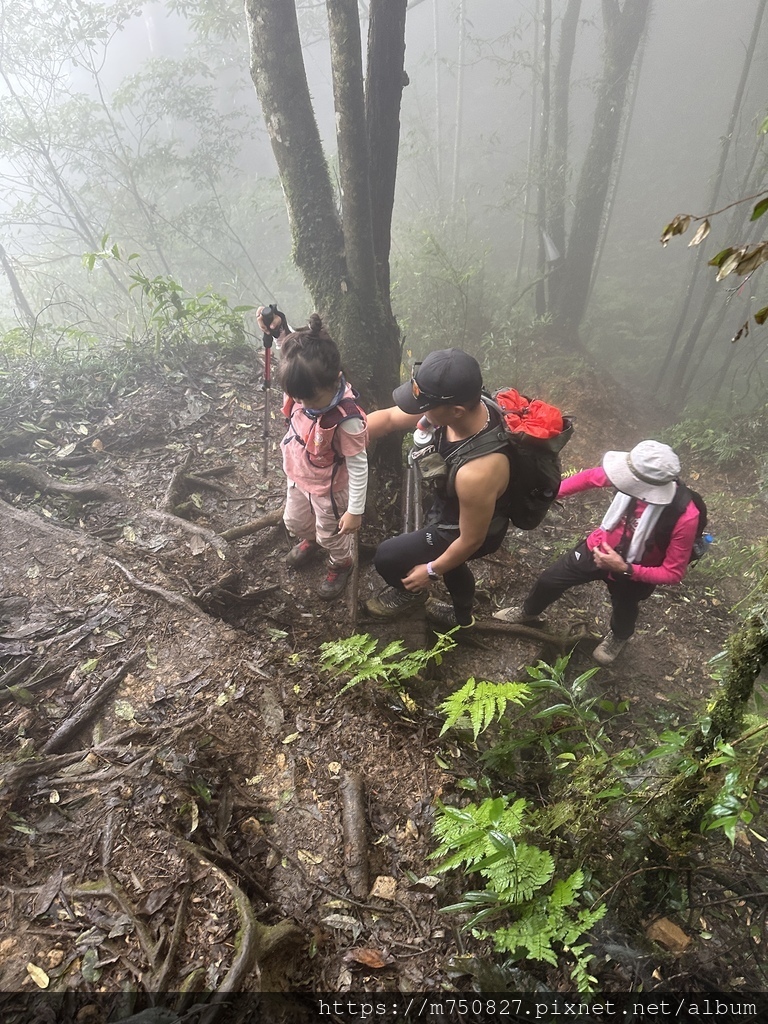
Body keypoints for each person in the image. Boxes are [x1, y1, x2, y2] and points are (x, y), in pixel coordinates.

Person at [494, 440, 701, 665]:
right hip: (597, 547)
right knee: (550, 580)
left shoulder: (685, 516)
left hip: (634, 570)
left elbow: (673, 573)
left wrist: (624, 568)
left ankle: (618, 637)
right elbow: (589, 478)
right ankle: (528, 612)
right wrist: (547, 497)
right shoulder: (634, 473)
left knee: (625, 609)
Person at [365, 348, 512, 634]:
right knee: (455, 566)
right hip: (455, 506)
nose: (418, 410)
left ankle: (413, 595)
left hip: (465, 529)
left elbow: (470, 541)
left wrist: (430, 571)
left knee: (387, 557)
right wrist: (342, 435)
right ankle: (462, 618)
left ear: (455, 411)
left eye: (425, 405)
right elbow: (391, 419)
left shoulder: (478, 471)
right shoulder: (463, 406)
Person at [257, 307, 368, 600]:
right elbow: (292, 350)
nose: (303, 403)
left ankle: (341, 562)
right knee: (294, 522)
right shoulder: (303, 385)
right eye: (298, 397)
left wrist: (355, 510)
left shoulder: (347, 417)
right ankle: (311, 540)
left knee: (332, 534)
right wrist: (278, 329)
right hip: (299, 476)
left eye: (310, 398)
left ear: (336, 380)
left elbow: (358, 465)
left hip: (328, 490)